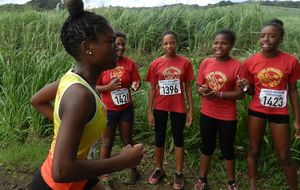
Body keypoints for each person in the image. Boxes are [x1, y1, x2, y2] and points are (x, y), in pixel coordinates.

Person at [29, 0, 145, 189]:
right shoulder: (80, 95)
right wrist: (122, 161)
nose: (117, 47)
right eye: (110, 42)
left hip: (81, 175)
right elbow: (61, 171)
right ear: (87, 48)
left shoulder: (73, 79)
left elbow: (38, 100)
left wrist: (70, 127)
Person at [241, 19, 300, 190]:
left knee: (285, 156)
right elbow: (250, 91)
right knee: (253, 150)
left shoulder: (291, 61)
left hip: (279, 112)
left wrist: (297, 119)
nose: (266, 39)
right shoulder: (250, 62)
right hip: (257, 110)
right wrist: (244, 87)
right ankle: (252, 186)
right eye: (262, 36)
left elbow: (293, 91)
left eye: (272, 36)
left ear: (280, 38)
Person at [194, 29, 245, 190]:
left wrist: (219, 94)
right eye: (216, 42)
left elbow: (240, 94)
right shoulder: (206, 63)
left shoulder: (238, 66)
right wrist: (201, 90)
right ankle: (202, 179)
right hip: (207, 113)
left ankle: (231, 182)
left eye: (224, 43)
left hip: (227, 115)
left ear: (231, 45)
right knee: (206, 146)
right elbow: (198, 85)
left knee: (227, 148)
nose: (219, 46)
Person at [145, 31, 194, 190]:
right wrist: (149, 111)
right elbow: (152, 89)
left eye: (172, 42)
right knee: (159, 138)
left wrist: (190, 110)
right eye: (165, 43)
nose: (169, 46)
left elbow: (187, 88)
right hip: (160, 106)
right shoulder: (155, 64)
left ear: (176, 43)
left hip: (178, 107)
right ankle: (159, 169)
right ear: (162, 45)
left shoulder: (185, 63)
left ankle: (179, 173)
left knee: (178, 138)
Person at [95, 31, 141, 185]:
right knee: (107, 142)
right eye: (117, 44)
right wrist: (108, 86)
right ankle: (105, 177)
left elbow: (136, 81)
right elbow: (93, 86)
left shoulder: (130, 63)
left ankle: (133, 171)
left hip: (126, 109)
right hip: (108, 110)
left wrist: (135, 85)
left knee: (127, 140)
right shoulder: (103, 64)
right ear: (111, 45)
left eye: (123, 44)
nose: (120, 47)